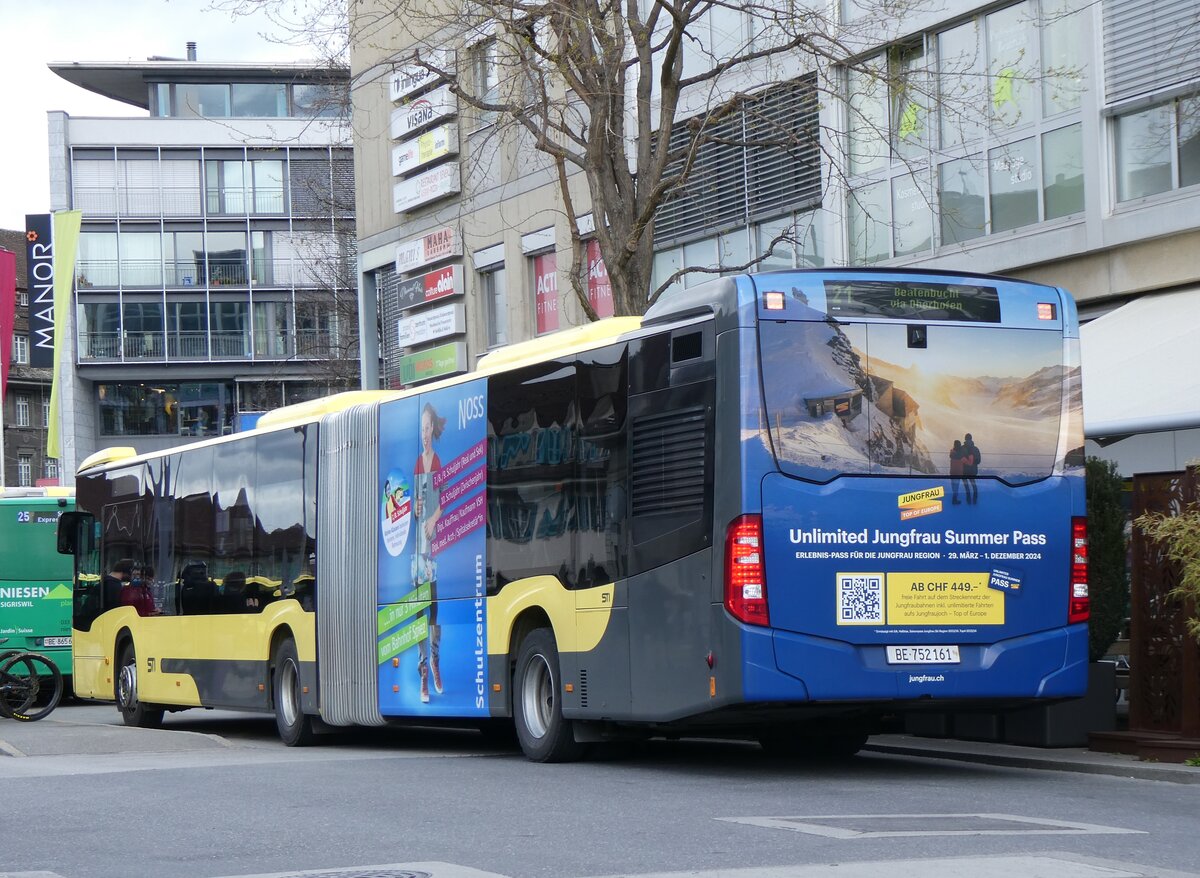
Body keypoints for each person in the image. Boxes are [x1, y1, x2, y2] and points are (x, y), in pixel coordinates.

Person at [413, 402, 446, 703]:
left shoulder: (436, 462)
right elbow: (412, 507)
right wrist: (417, 510)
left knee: (433, 611)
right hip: (417, 551)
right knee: (419, 612)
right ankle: (423, 670)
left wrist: (433, 518)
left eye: (427, 428)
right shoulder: (416, 463)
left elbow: (444, 500)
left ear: (433, 429)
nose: (424, 434)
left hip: (431, 549)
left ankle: (435, 661)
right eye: (421, 429)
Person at [962, 432, 981, 505]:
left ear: (965, 439)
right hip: (972, 471)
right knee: (974, 485)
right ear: (971, 439)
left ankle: (968, 499)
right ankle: (975, 500)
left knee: (966, 486)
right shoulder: (976, 449)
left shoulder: (962, 448)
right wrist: (973, 462)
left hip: (964, 471)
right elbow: (978, 461)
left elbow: (958, 458)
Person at [949, 439, 965, 504]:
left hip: (952, 471)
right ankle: (954, 499)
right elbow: (962, 459)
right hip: (958, 472)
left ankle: (954, 496)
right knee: (956, 485)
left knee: (953, 485)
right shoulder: (960, 454)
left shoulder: (952, 452)